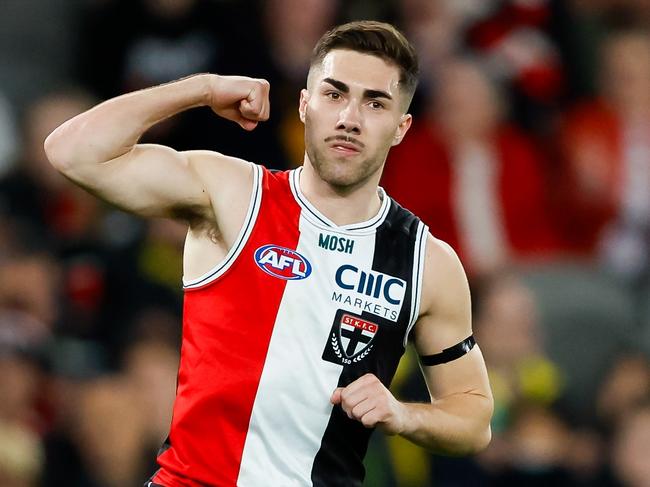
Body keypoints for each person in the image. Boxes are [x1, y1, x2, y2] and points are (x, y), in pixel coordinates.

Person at [44, 20, 493, 487]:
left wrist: (403, 415)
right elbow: (72, 152)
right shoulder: (233, 194)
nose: (350, 119)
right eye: (334, 94)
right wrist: (201, 88)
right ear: (304, 104)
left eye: (375, 103)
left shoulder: (427, 261)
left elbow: (474, 418)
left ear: (401, 128)